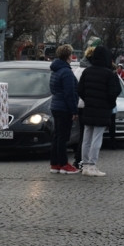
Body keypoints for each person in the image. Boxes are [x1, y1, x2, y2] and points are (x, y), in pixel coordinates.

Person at [77, 45, 121, 177]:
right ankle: (92, 165)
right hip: (102, 109)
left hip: (89, 108)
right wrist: (109, 104)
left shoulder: (87, 71)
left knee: (86, 138)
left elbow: (80, 90)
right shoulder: (109, 74)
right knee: (97, 138)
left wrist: (88, 99)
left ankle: (85, 165)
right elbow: (114, 92)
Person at [49, 44, 80, 174]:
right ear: (69, 56)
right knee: (63, 137)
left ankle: (55, 163)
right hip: (64, 108)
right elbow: (70, 93)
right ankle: (63, 164)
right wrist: (74, 110)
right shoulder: (66, 72)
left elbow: (53, 88)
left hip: (56, 105)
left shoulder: (55, 70)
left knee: (57, 136)